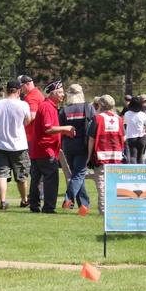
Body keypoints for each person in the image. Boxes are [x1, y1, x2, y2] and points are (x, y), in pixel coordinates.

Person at [27, 80, 75, 213]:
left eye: (62, 92)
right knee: (50, 179)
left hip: (37, 149)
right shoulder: (48, 107)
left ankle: (34, 206)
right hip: (46, 149)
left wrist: (63, 131)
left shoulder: (46, 106)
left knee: (36, 180)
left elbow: (47, 128)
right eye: (59, 92)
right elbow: (48, 129)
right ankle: (48, 207)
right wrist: (66, 127)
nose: (62, 95)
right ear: (52, 93)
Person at [0, 79, 33, 210]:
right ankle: (24, 200)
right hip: (19, 145)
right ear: (19, 90)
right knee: (21, 174)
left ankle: (3, 202)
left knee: (2, 174)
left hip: (1, 144)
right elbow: (27, 122)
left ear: (7, 90)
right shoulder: (23, 105)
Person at [59, 83, 96, 211]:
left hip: (68, 146)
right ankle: (68, 198)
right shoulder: (88, 107)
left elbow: (60, 128)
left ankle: (84, 205)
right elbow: (94, 126)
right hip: (83, 146)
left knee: (77, 174)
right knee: (79, 175)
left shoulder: (64, 110)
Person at [87, 94, 125, 216]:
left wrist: (88, 156)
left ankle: (103, 211)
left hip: (102, 157)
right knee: (113, 184)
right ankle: (114, 209)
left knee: (101, 185)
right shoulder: (119, 119)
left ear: (101, 106)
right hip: (116, 157)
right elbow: (124, 137)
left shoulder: (98, 118)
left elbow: (92, 139)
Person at [122, 95, 146, 164]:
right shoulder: (143, 114)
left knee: (133, 155)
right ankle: (140, 171)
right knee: (140, 155)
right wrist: (145, 131)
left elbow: (124, 123)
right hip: (141, 137)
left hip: (131, 136)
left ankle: (134, 171)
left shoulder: (127, 114)